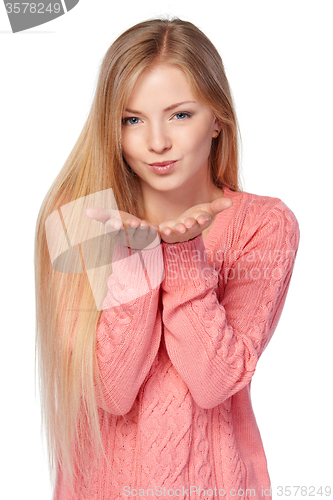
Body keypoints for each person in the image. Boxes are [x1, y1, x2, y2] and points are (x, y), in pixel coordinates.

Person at [34, 17, 300, 500]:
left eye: (179, 115)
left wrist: (180, 256)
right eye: (132, 119)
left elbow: (213, 381)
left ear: (217, 118)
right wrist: (137, 262)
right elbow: (113, 392)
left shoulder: (265, 224)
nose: (156, 141)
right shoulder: (79, 219)